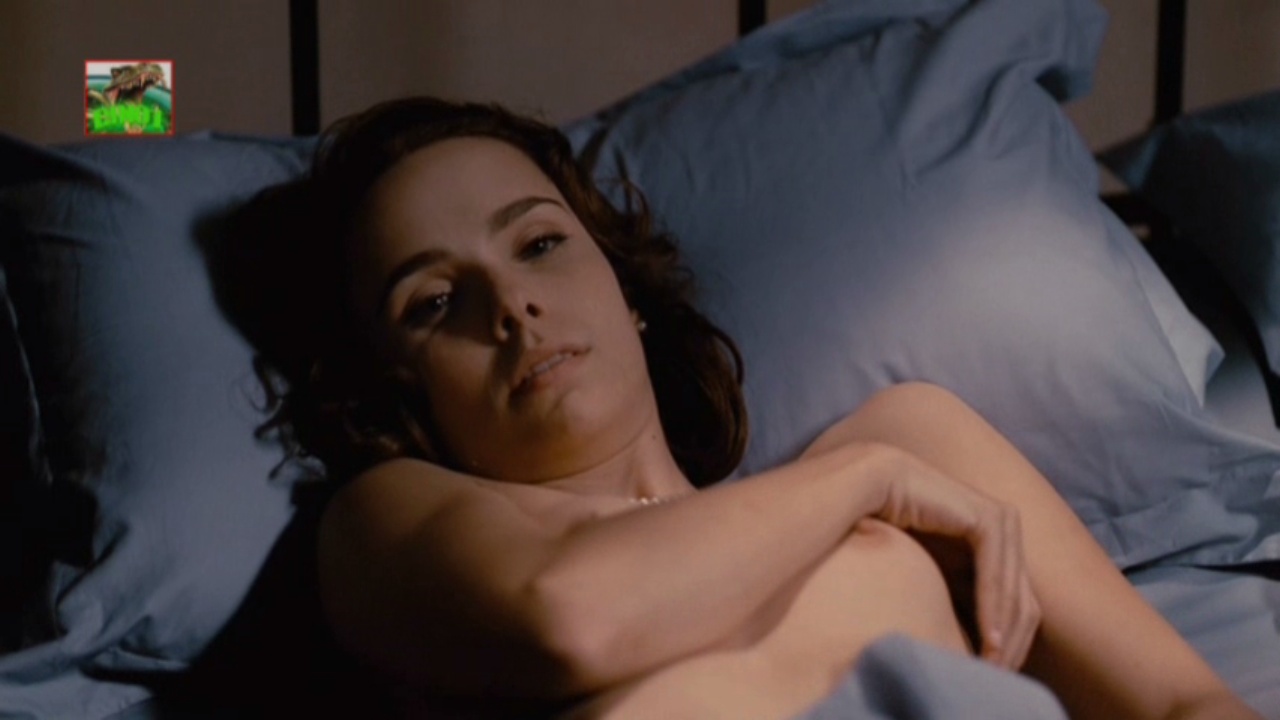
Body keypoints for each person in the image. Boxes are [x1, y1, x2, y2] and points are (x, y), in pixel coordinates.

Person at [245, 96, 1261, 719]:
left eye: (540, 243)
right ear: (392, 390)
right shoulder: (384, 523)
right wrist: (867, 481)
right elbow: (573, 621)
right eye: (432, 303)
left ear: (627, 290)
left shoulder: (911, 441)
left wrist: (883, 463)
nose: (510, 305)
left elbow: (1184, 703)